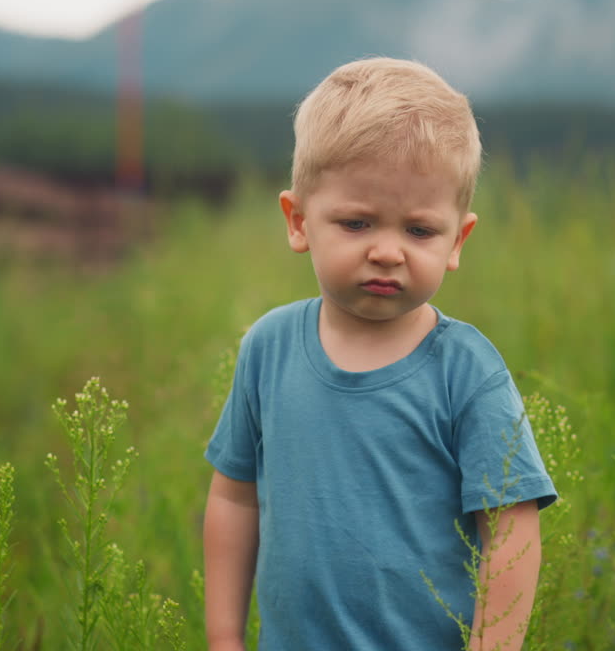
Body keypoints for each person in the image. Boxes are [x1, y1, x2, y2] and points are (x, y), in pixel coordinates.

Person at [203, 57, 557, 650]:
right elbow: (233, 497)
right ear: (298, 222)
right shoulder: (269, 348)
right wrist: (224, 639)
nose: (388, 251)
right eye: (357, 222)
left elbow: (512, 531)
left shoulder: (465, 370)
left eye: (419, 231)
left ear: (456, 240)